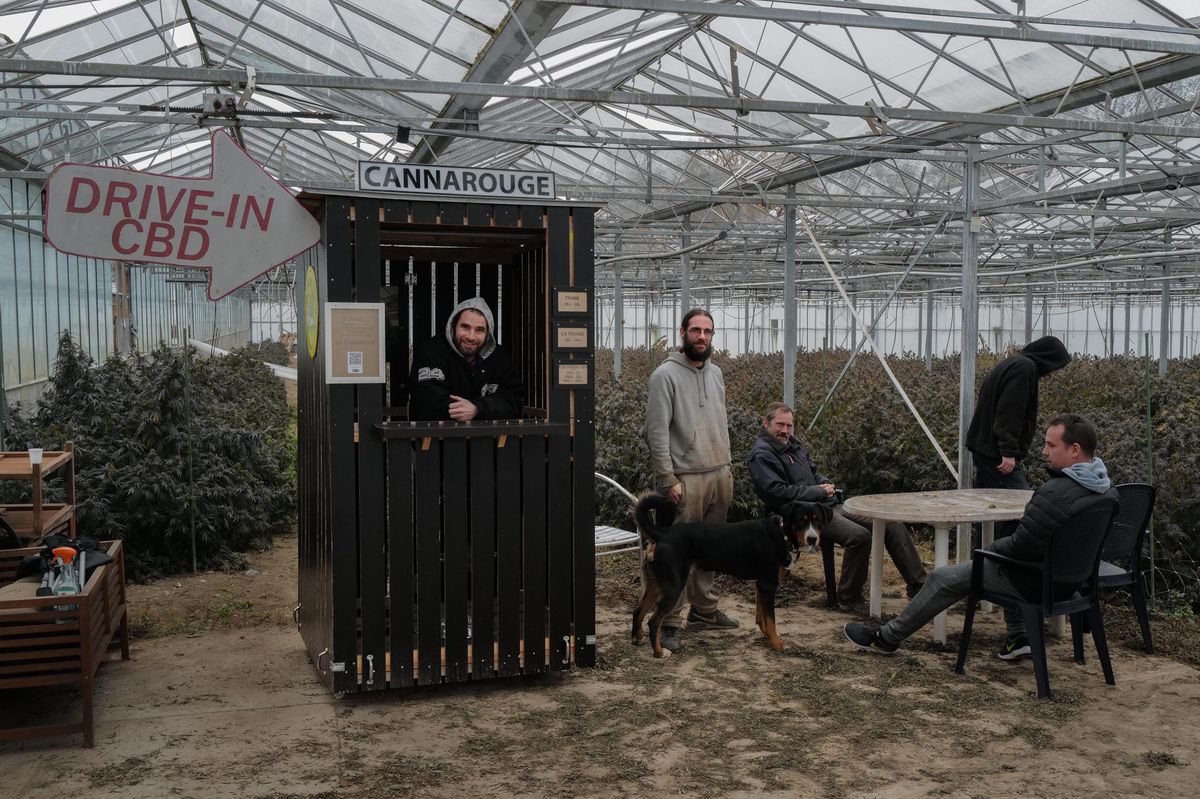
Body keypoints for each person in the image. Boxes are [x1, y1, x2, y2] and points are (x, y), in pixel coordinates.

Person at [844, 413, 1119, 659]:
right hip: (1072, 583)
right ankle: (1017, 637)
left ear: (1074, 450)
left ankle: (886, 638)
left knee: (944, 577)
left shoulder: (1055, 492)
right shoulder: (1108, 492)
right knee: (1001, 560)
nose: (1044, 451)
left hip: (1034, 583)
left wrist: (988, 550)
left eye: (1051, 445)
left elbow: (1020, 548)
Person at [746, 402, 927, 607]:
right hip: (802, 515)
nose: (785, 430)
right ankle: (849, 597)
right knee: (859, 537)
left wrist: (824, 483)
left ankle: (921, 587)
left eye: (789, 426)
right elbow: (775, 494)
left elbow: (812, 472)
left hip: (825, 505)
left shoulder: (792, 445)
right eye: (780, 425)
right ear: (765, 423)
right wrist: (818, 491)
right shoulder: (761, 455)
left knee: (891, 524)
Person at [643, 308, 737, 652]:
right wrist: (668, 478)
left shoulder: (716, 374)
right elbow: (656, 432)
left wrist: (726, 466)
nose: (702, 337)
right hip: (685, 478)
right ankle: (669, 620)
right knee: (677, 553)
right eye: (695, 330)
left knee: (711, 550)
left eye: (708, 331)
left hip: (719, 473)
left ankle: (704, 609)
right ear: (682, 332)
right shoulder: (664, 375)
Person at [967, 335, 1071, 495]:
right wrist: (1008, 452)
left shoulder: (1014, 364)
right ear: (1048, 358)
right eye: (1055, 367)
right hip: (996, 454)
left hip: (986, 449)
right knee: (1020, 504)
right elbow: (1009, 412)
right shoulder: (1024, 369)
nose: (1053, 373)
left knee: (987, 504)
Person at [408, 297, 522, 422]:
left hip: (487, 440)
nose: (471, 336)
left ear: (488, 334)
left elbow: (514, 403)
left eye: (479, 330)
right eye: (465, 327)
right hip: (435, 439)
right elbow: (427, 404)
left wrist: (478, 408)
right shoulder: (431, 352)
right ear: (453, 326)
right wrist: (484, 409)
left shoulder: (498, 357)